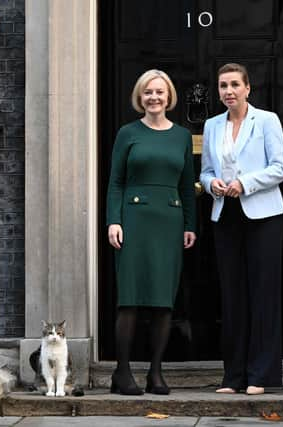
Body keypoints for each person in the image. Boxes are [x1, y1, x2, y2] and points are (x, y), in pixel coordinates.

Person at [200, 63, 283, 395]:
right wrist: (214, 185)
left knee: (263, 294)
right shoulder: (211, 126)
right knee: (233, 296)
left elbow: (281, 167)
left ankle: (260, 375)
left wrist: (244, 183)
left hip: (263, 217)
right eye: (223, 85)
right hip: (226, 216)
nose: (229, 91)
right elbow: (206, 171)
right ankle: (233, 376)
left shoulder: (266, 121)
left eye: (235, 85)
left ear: (248, 88)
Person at [106, 69, 197, 395]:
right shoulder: (127, 133)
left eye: (159, 92)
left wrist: (190, 224)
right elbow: (115, 181)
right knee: (129, 299)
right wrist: (112, 221)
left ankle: (156, 373)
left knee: (162, 301)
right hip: (133, 220)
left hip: (169, 222)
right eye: (148, 93)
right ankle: (123, 372)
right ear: (140, 97)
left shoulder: (182, 136)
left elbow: (187, 186)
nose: (154, 98)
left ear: (169, 96)